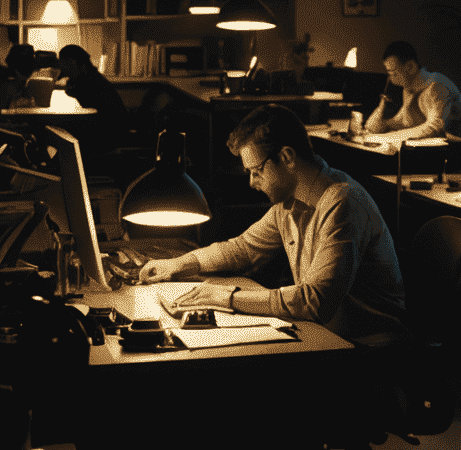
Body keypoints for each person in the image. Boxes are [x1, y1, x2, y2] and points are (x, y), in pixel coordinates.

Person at [137, 105, 406, 339]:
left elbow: (315, 302)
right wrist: (179, 264)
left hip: (370, 349)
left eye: (256, 171)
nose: (252, 183)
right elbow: (242, 249)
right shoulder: (288, 204)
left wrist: (228, 297)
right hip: (328, 338)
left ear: (287, 157)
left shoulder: (343, 201)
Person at [364, 40, 461, 140]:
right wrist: (383, 121)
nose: (390, 78)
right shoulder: (410, 89)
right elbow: (404, 122)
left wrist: (386, 137)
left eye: (393, 73)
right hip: (453, 145)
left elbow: (435, 126)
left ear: (410, 67)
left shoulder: (436, 85)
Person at [56, 44, 128, 138]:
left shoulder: (92, 82)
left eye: (67, 63)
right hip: (101, 128)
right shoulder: (87, 78)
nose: (63, 67)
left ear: (77, 63)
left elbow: (87, 114)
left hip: (109, 132)